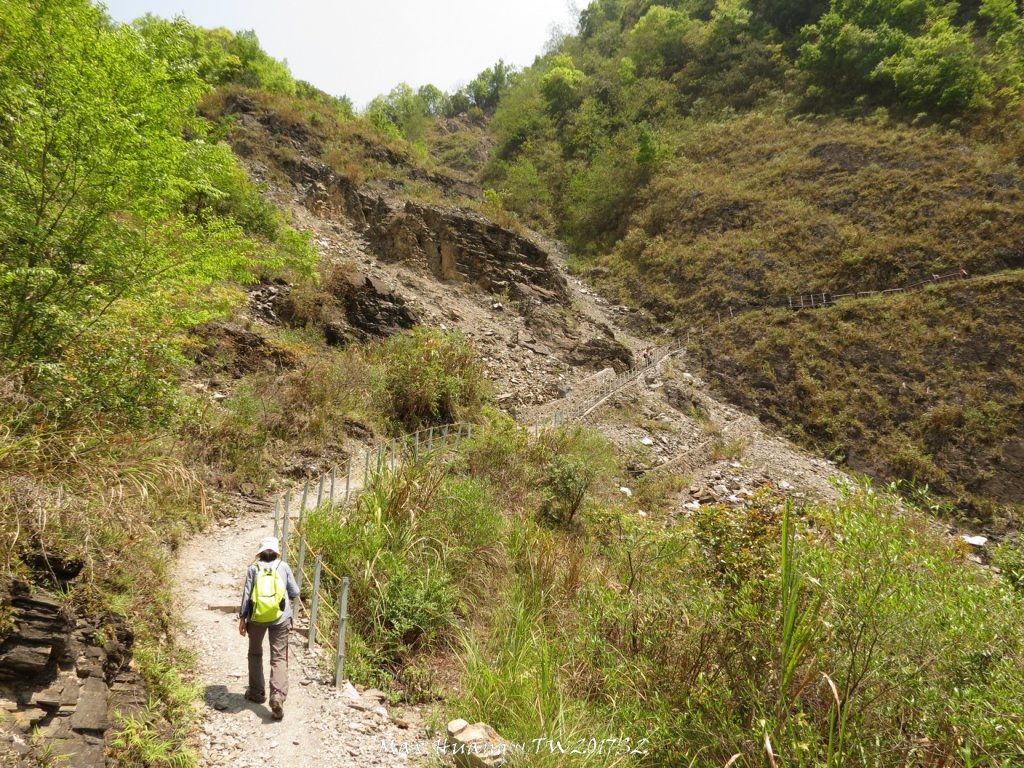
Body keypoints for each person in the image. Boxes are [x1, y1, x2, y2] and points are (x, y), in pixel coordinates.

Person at [237, 536, 300, 720]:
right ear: (276, 552)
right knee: (278, 656)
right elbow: (295, 591)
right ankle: (277, 696)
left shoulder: (253, 569)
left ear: (260, 552)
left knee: (255, 653)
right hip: (281, 618)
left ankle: (256, 692)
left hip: (256, 618)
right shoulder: (283, 566)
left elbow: (247, 595)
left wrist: (242, 618)